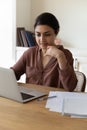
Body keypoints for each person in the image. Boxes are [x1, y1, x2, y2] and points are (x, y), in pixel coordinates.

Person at [11, 12, 77, 91]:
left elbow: (70, 87)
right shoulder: (30, 53)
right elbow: (12, 74)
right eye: (38, 35)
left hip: (54, 101)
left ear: (56, 32)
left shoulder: (65, 55)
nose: (42, 39)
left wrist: (60, 57)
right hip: (31, 101)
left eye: (47, 34)